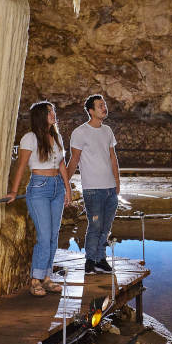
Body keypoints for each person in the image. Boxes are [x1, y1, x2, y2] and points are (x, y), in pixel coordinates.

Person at [7, 101, 72, 296]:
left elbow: (61, 165)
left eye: (53, 111)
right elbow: (21, 165)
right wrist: (13, 191)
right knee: (44, 236)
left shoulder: (56, 136)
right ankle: (35, 279)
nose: (53, 114)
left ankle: (47, 277)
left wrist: (68, 189)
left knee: (53, 236)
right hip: (39, 188)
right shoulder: (29, 138)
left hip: (57, 188)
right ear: (40, 116)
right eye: (49, 112)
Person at [68, 94, 120, 274]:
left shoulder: (107, 131)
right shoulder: (80, 132)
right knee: (95, 225)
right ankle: (90, 260)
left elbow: (113, 158)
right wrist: (65, 184)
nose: (104, 107)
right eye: (100, 105)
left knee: (106, 227)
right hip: (93, 189)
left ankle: (101, 259)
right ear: (91, 111)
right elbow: (74, 160)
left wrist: (117, 182)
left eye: (104, 104)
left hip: (110, 188)